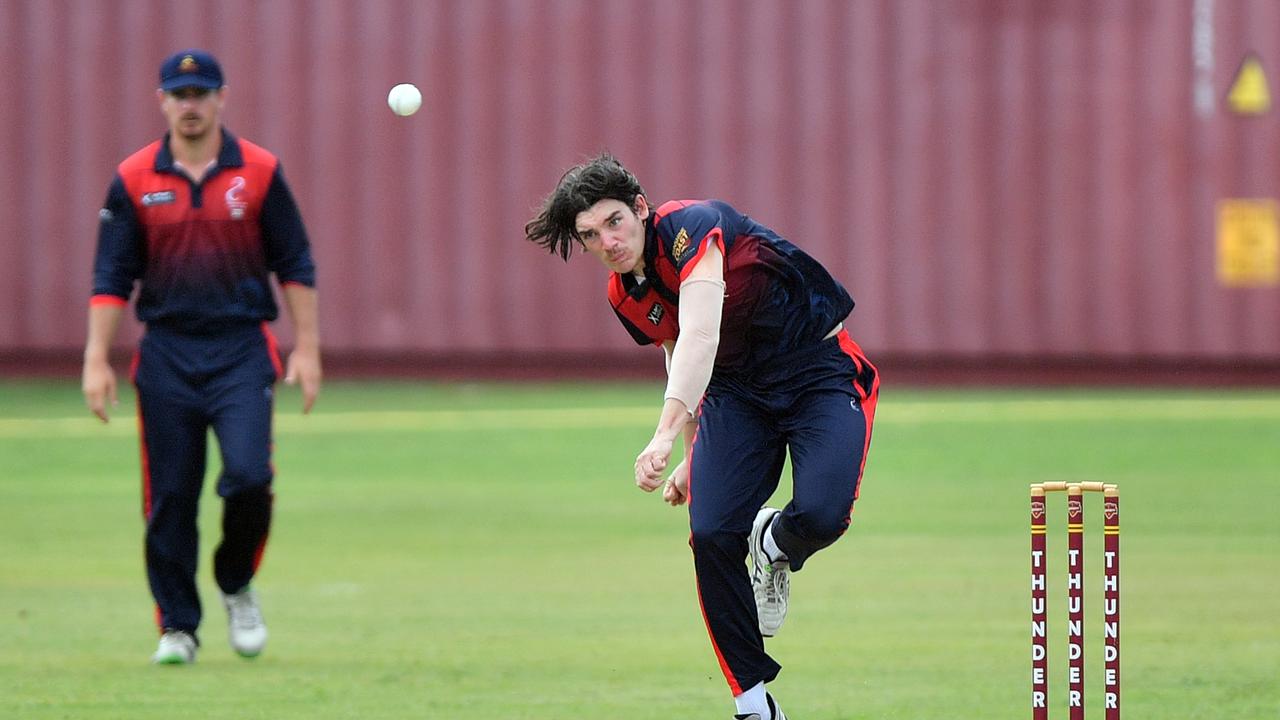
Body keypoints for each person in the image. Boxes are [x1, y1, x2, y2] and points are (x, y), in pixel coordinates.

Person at [524, 154, 879, 720]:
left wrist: (663, 435)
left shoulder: (693, 227)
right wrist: (692, 453)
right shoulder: (624, 295)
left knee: (821, 515)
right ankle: (753, 703)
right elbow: (675, 353)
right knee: (711, 532)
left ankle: (777, 544)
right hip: (736, 397)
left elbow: (700, 333)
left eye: (615, 221)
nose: (608, 241)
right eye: (590, 235)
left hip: (819, 370)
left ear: (640, 208)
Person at [81, 49, 321, 665]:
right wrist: (96, 357)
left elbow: (294, 262)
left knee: (248, 478)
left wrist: (309, 350)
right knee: (171, 497)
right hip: (166, 354)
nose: (190, 105)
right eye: (179, 94)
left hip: (242, 349)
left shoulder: (260, 172)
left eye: (200, 93)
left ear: (221, 98)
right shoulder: (134, 178)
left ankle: (236, 581)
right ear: (162, 101)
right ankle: (178, 627)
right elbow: (112, 273)